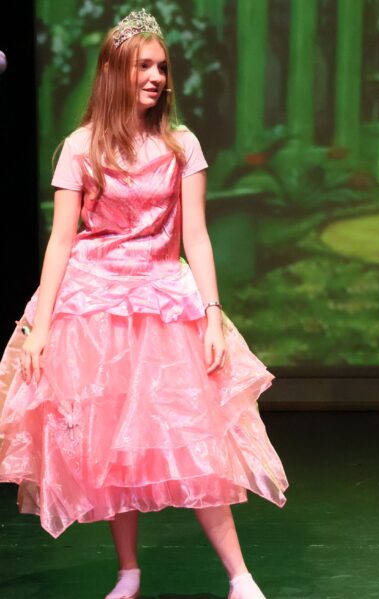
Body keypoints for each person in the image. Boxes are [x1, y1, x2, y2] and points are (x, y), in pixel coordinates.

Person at [0, 10, 287, 599]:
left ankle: (241, 577)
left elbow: (197, 236)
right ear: (114, 72)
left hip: (162, 300)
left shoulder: (182, 145)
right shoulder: (80, 148)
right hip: (96, 303)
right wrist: (39, 324)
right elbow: (62, 238)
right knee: (113, 445)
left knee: (196, 438)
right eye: (143, 66)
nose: (156, 77)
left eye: (161, 66)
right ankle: (128, 572)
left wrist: (211, 312)